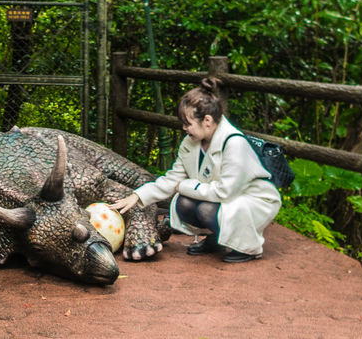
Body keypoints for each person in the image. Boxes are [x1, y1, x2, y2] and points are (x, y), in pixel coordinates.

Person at [109, 77, 281, 263]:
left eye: (188, 123)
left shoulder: (235, 143)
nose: (184, 128)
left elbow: (225, 192)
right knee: (184, 204)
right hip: (225, 198)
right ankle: (218, 238)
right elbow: (172, 179)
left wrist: (185, 185)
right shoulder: (190, 143)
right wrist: (137, 196)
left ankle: (249, 248)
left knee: (206, 209)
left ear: (207, 121)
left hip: (254, 200)